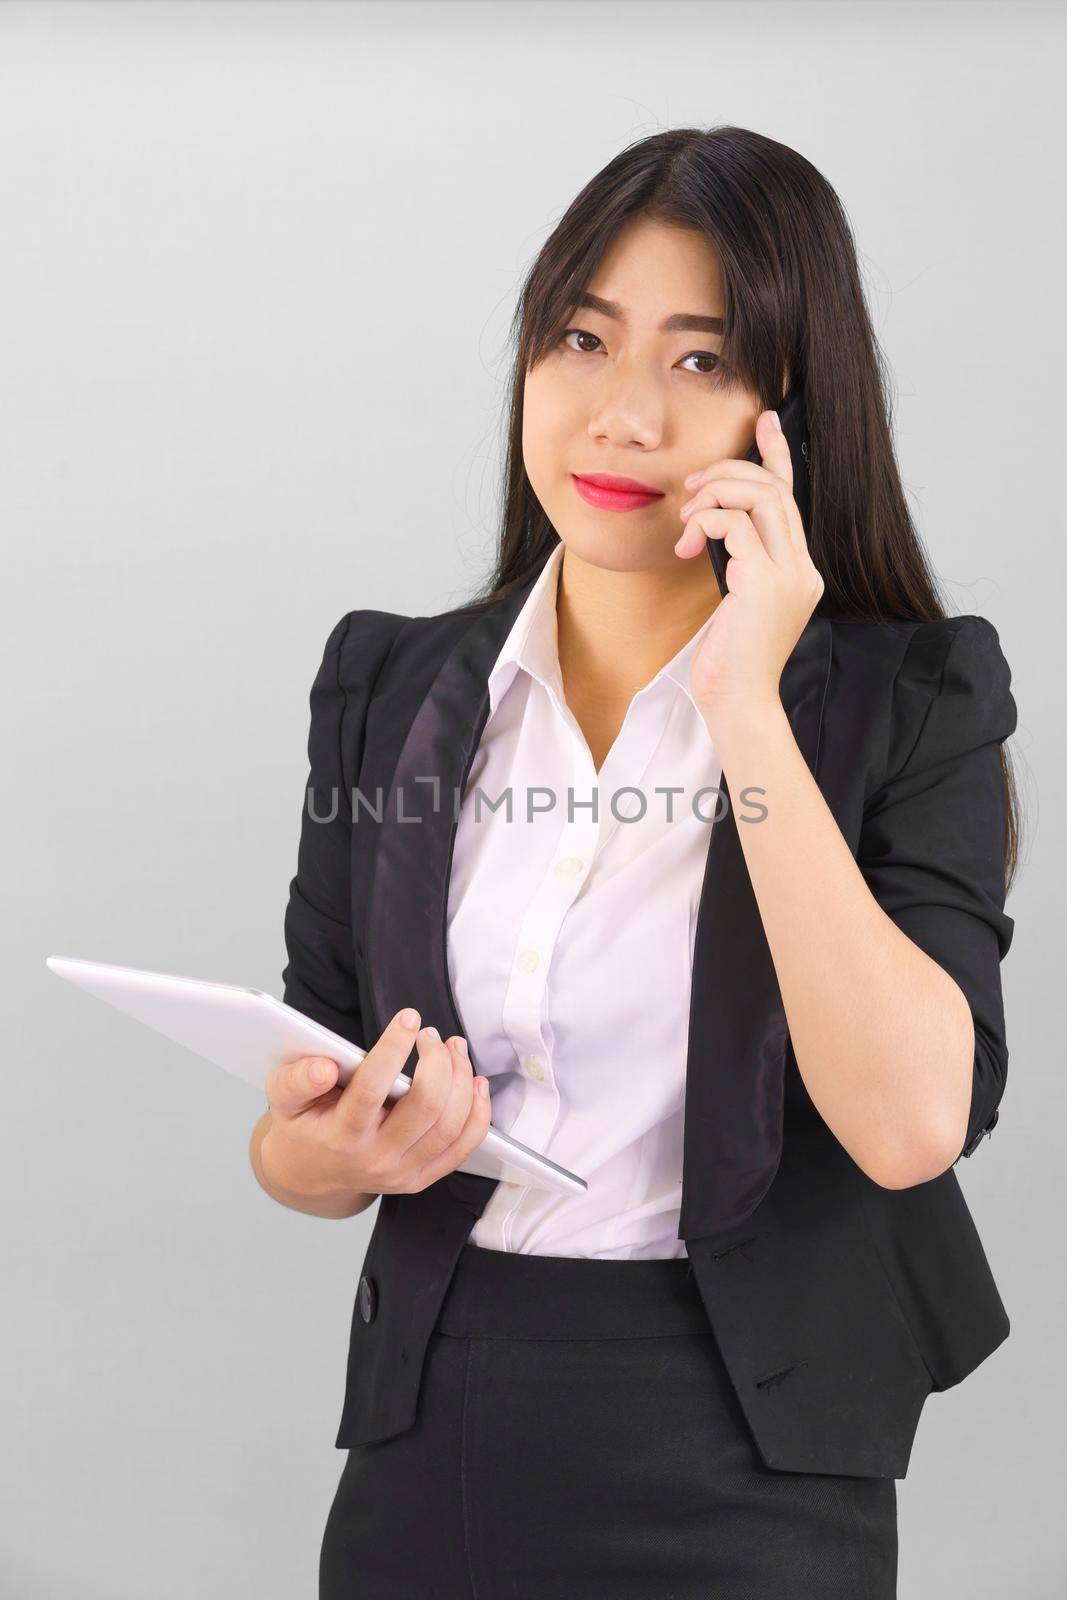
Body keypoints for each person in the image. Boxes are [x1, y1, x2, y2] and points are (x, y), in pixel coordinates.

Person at [248, 125, 1021, 1599]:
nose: (619, 416)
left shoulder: (903, 697)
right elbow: (308, 1117)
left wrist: (741, 702)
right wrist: (323, 1149)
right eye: (581, 341)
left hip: (752, 1439)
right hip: (439, 1419)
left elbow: (915, 1123)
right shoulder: (390, 688)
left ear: (789, 415)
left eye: (699, 362)